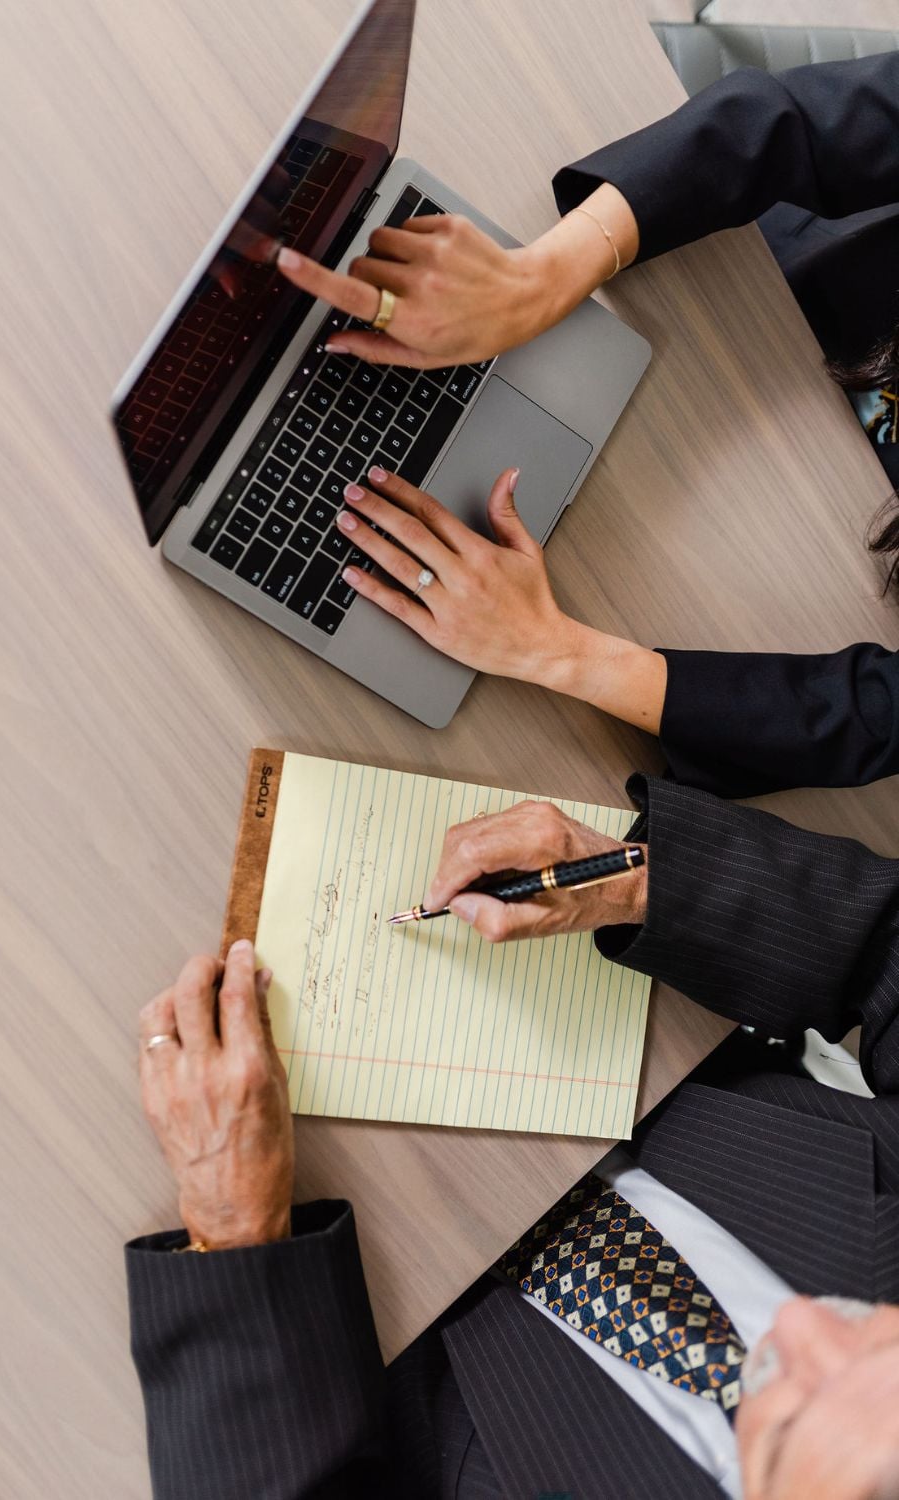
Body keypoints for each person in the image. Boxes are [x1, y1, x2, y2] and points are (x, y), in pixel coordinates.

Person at [126, 776, 899, 1499]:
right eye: (876, 1334)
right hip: (620, 1031)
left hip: (352, 1259)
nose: (796, 1317)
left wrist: (234, 1231)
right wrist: (639, 882)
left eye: (790, 1416)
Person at [272, 53, 899, 798]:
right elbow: (796, 123)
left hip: (806, 504)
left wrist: (557, 651)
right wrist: (543, 278)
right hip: (773, 291)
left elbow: (870, 716)